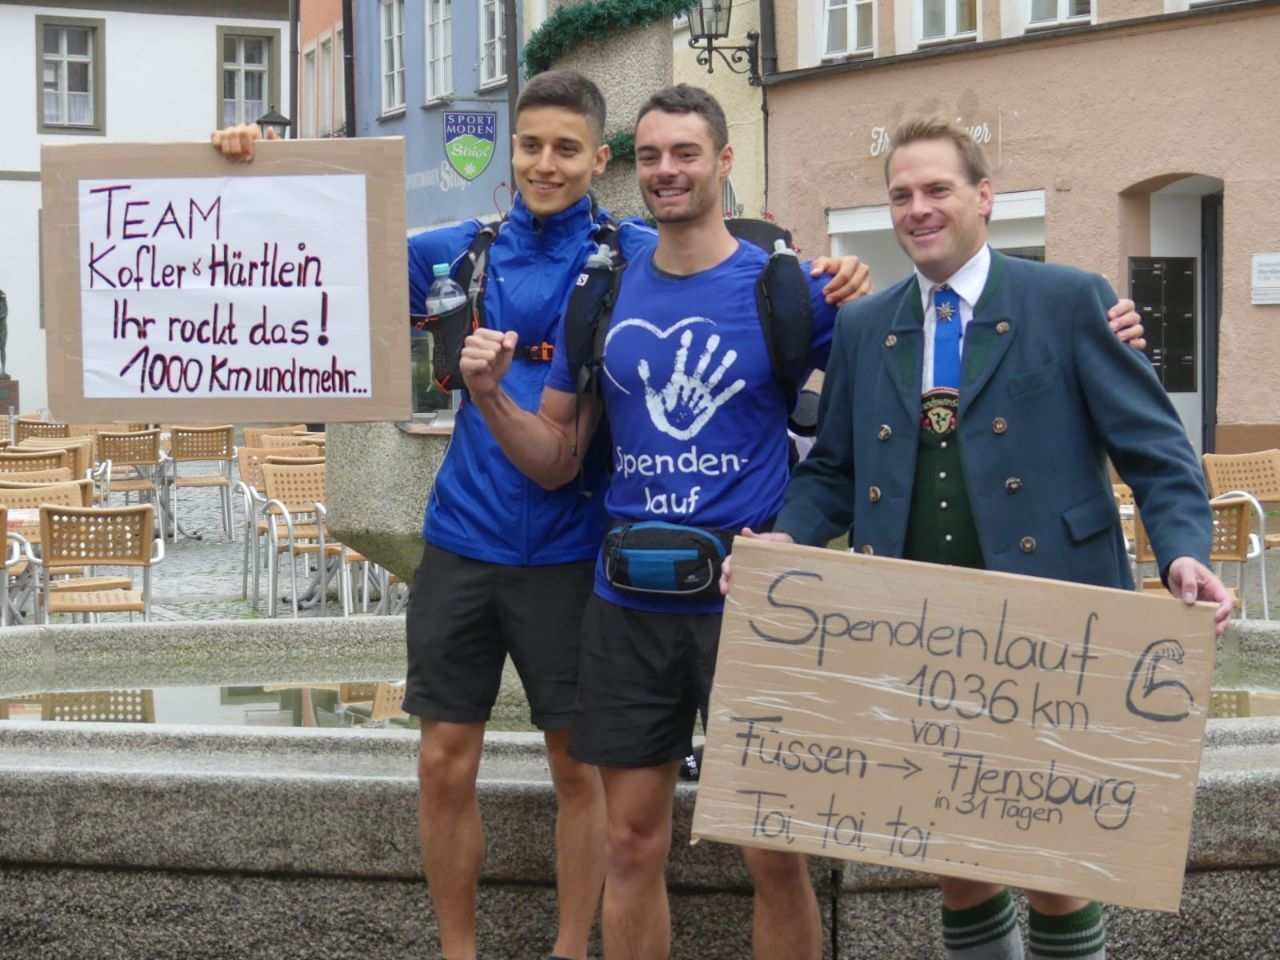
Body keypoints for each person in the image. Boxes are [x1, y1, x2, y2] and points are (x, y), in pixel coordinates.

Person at [458, 87, 1146, 960]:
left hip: (759, 606)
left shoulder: (805, 296)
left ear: (724, 162)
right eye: (654, 157)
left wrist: (1113, 323)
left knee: (781, 855)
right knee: (631, 845)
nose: (668, 171)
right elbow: (560, 457)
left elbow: (873, 409)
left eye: (687, 153)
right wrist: (485, 397)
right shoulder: (602, 292)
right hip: (628, 596)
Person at [213, 71, 869, 960]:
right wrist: (259, 170)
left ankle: (569, 948)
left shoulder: (667, 261)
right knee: (465, 768)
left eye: (569, 148)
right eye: (531, 145)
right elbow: (321, 254)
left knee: (673, 810)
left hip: (605, 557)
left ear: (601, 161)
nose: (546, 162)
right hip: (499, 547)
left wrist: (846, 281)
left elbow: (871, 384)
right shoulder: (496, 260)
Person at [725, 115, 1232, 960]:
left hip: (1053, 628)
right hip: (918, 629)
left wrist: (1184, 551)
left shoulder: (1068, 300)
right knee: (952, 854)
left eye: (937, 190)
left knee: (1052, 857)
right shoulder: (865, 326)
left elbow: (1159, 453)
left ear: (984, 197)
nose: (918, 209)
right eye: (901, 196)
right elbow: (832, 472)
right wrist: (789, 541)